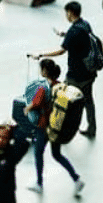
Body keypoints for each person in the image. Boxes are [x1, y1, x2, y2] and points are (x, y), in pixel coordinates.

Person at [28, 1, 98, 138]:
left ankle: (58, 128)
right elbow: (79, 38)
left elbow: (61, 51)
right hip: (89, 72)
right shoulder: (84, 25)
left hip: (75, 75)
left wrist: (41, 54)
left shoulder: (73, 31)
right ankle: (92, 128)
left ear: (70, 13)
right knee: (88, 101)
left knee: (62, 100)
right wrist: (64, 34)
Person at [24, 59, 86, 196]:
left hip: (43, 126)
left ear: (45, 71)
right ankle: (76, 179)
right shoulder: (61, 85)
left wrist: (27, 108)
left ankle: (39, 183)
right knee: (57, 154)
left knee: (38, 153)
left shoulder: (44, 86)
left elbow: (37, 103)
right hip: (57, 125)